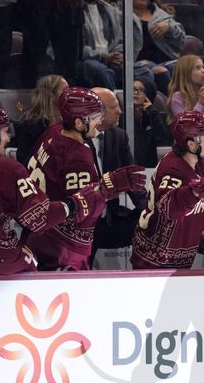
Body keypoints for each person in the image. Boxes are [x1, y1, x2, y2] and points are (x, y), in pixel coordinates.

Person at [0, 106, 106, 274]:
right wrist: (74, 203)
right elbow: (39, 217)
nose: (8, 139)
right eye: (5, 132)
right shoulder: (7, 168)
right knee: (34, 259)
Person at [24, 87, 146, 270]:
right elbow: (81, 212)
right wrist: (108, 188)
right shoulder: (78, 157)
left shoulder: (54, 132)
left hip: (39, 234)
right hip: (61, 247)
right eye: (95, 116)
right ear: (79, 123)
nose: (99, 120)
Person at [131, 111, 204, 269]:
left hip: (180, 259)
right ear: (192, 144)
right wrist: (196, 191)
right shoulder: (172, 168)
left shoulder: (202, 166)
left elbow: (200, 211)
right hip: (155, 259)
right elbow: (168, 209)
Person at [89, 87, 148, 265]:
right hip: (83, 221)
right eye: (115, 107)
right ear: (99, 112)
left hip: (110, 219)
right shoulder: (74, 140)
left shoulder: (119, 136)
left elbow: (134, 182)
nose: (120, 111)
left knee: (155, 225)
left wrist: (148, 213)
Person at [130, 0, 186, 90]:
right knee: (161, 72)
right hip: (137, 63)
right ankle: (171, 106)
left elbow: (181, 42)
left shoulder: (160, 14)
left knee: (187, 68)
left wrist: (169, 27)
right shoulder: (119, 14)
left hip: (166, 60)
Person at [78, 0, 127, 90]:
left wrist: (118, 55)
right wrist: (104, 56)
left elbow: (119, 40)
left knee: (144, 72)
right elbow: (76, 48)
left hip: (110, 58)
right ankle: (115, 105)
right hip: (86, 61)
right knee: (102, 71)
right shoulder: (71, 10)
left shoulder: (109, 9)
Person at [15, 74, 68, 166]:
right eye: (65, 90)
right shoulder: (33, 124)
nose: (69, 93)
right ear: (51, 96)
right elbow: (24, 160)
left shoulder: (69, 121)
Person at [132, 79, 169, 167]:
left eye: (141, 90)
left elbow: (162, 138)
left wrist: (152, 112)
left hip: (148, 167)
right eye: (133, 89)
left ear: (148, 95)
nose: (136, 93)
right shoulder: (123, 116)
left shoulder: (153, 115)